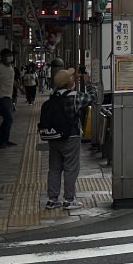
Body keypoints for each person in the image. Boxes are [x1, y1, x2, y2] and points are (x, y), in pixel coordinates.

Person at [42, 68, 86, 210]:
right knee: (70, 168)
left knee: (54, 168)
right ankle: (69, 199)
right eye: (72, 77)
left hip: (53, 137)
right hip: (70, 137)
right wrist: (88, 82)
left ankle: (52, 200)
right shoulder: (74, 96)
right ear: (69, 82)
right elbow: (95, 97)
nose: (74, 78)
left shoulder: (52, 96)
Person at [0, 50, 18, 147]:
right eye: (8, 56)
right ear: (3, 57)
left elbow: (11, 80)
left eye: (11, 55)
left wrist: (20, 88)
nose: (11, 57)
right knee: (9, 119)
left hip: (8, 96)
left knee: (7, 119)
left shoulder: (11, 67)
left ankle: (0, 139)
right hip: (1, 97)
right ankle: (3, 141)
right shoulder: (0, 68)